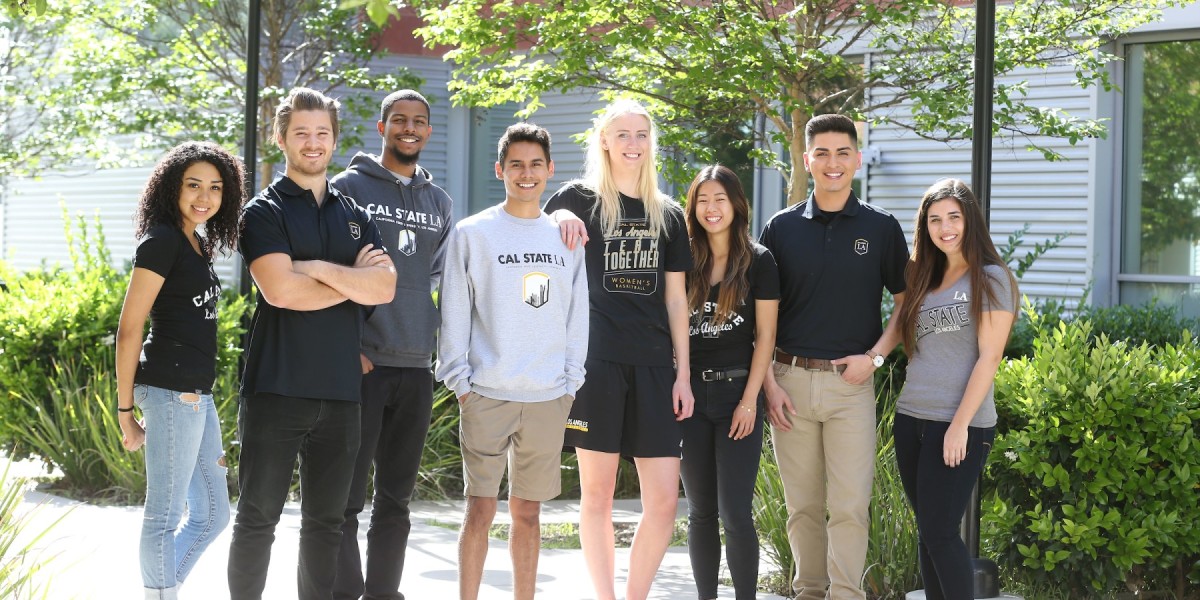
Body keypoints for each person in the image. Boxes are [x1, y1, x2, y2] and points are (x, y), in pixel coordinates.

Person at [228, 87, 397, 600]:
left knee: (327, 523)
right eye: (301, 132)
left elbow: (385, 287)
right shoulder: (263, 212)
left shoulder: (353, 211)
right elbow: (279, 290)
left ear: (334, 139)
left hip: (342, 392)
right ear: (281, 138)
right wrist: (351, 282)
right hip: (276, 389)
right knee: (258, 518)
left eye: (322, 132)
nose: (313, 142)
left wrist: (317, 270)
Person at [543, 98, 694, 600]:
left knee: (665, 502)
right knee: (598, 496)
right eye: (623, 134)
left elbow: (677, 299)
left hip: (655, 367)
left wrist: (683, 375)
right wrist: (558, 215)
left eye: (642, 134)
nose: (633, 143)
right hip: (596, 365)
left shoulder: (668, 214)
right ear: (604, 140)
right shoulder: (577, 199)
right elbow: (539, 237)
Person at [435, 122, 588, 600]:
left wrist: (570, 383)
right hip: (485, 393)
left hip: (548, 396)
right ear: (500, 169)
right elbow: (455, 308)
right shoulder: (473, 233)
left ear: (550, 170)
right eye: (516, 165)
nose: (526, 174)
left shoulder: (566, 235)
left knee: (529, 513)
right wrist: (460, 381)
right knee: (478, 511)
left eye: (536, 165)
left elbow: (576, 311)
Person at [760, 113, 909, 600]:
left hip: (852, 386)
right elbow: (761, 316)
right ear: (806, 160)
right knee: (802, 506)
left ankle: (846, 595)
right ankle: (809, 592)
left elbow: (907, 301)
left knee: (850, 506)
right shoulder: (780, 229)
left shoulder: (882, 228)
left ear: (857, 160)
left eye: (842, 152)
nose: (832, 163)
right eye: (821, 153)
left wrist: (877, 357)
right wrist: (769, 385)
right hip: (790, 382)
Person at [328, 89, 455, 600]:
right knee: (344, 500)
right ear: (381, 128)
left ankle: (384, 593)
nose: (409, 128)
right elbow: (331, 273)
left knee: (396, 500)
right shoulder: (346, 188)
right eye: (399, 120)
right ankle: (344, 592)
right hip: (362, 365)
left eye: (419, 121)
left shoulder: (438, 201)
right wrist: (347, 347)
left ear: (428, 130)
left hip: (415, 366)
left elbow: (446, 278)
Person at [116, 141, 244, 600]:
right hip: (170, 391)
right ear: (173, 187)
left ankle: (163, 589)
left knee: (212, 514)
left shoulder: (197, 240)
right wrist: (125, 409)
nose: (204, 196)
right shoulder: (162, 239)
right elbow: (130, 329)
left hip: (196, 394)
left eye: (214, 187)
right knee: (165, 516)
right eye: (193, 185)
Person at [892, 179, 1017, 600]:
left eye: (954, 217)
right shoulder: (924, 277)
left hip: (959, 423)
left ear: (970, 221)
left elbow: (989, 358)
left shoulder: (991, 278)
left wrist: (960, 425)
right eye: (934, 219)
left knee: (942, 533)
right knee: (928, 533)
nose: (945, 228)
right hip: (911, 418)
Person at [679, 165, 779, 600]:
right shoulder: (683, 259)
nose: (711, 208)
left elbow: (766, 337)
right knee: (701, 512)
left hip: (737, 396)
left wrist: (750, 401)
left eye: (720, 198)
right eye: (702, 199)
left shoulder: (759, 261)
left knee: (736, 513)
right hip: (690, 401)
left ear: (737, 205)